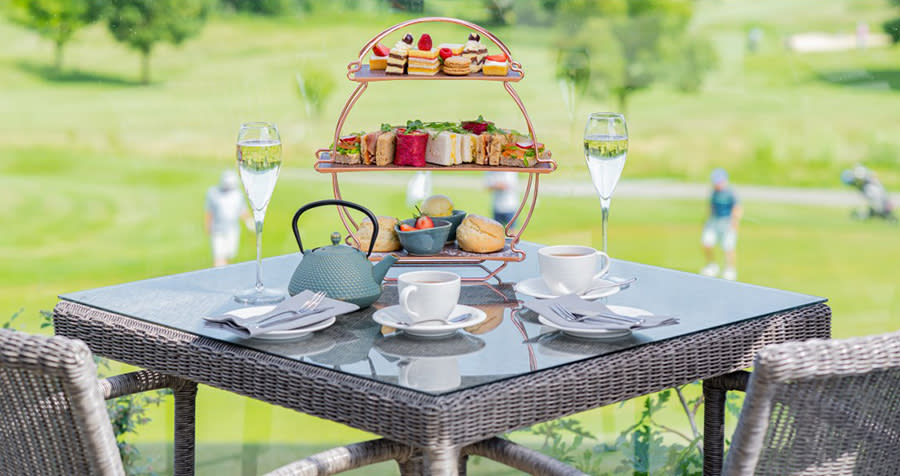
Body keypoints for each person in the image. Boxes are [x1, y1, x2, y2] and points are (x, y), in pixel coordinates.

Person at [204, 169, 253, 267]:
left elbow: (242, 211)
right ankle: (219, 276)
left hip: (232, 230)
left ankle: (225, 275)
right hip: (217, 230)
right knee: (218, 256)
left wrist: (250, 222)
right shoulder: (213, 193)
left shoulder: (238, 195)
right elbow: (209, 211)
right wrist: (207, 225)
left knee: (228, 255)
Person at [701, 168, 743, 280]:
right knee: (707, 243)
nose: (717, 184)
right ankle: (712, 266)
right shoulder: (714, 192)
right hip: (714, 221)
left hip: (727, 222)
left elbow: (737, 208)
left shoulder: (730, 193)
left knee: (728, 247)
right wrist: (707, 220)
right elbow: (711, 207)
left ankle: (730, 269)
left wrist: (735, 222)